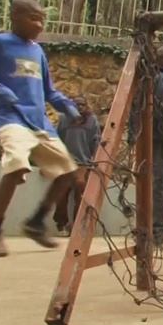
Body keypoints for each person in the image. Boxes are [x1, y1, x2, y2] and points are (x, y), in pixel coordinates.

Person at [0, 0, 81, 257]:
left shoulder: (37, 51)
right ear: (15, 16)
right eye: (34, 18)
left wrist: (67, 105)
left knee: (67, 173)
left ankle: (36, 222)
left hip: (39, 122)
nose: (40, 25)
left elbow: (48, 91)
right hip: (10, 119)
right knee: (17, 163)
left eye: (43, 19)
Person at [129, 46, 163, 248]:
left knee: (147, 184)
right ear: (159, 61)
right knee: (159, 186)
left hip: (146, 139)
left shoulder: (146, 79)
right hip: (159, 141)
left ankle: (146, 229)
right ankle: (157, 231)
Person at [53, 96, 100, 235]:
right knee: (60, 191)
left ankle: (77, 225)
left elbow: (96, 141)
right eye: (76, 105)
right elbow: (58, 139)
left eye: (82, 105)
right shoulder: (64, 118)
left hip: (83, 163)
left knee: (81, 186)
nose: (79, 108)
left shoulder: (92, 120)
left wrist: (95, 161)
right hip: (66, 162)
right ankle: (61, 223)